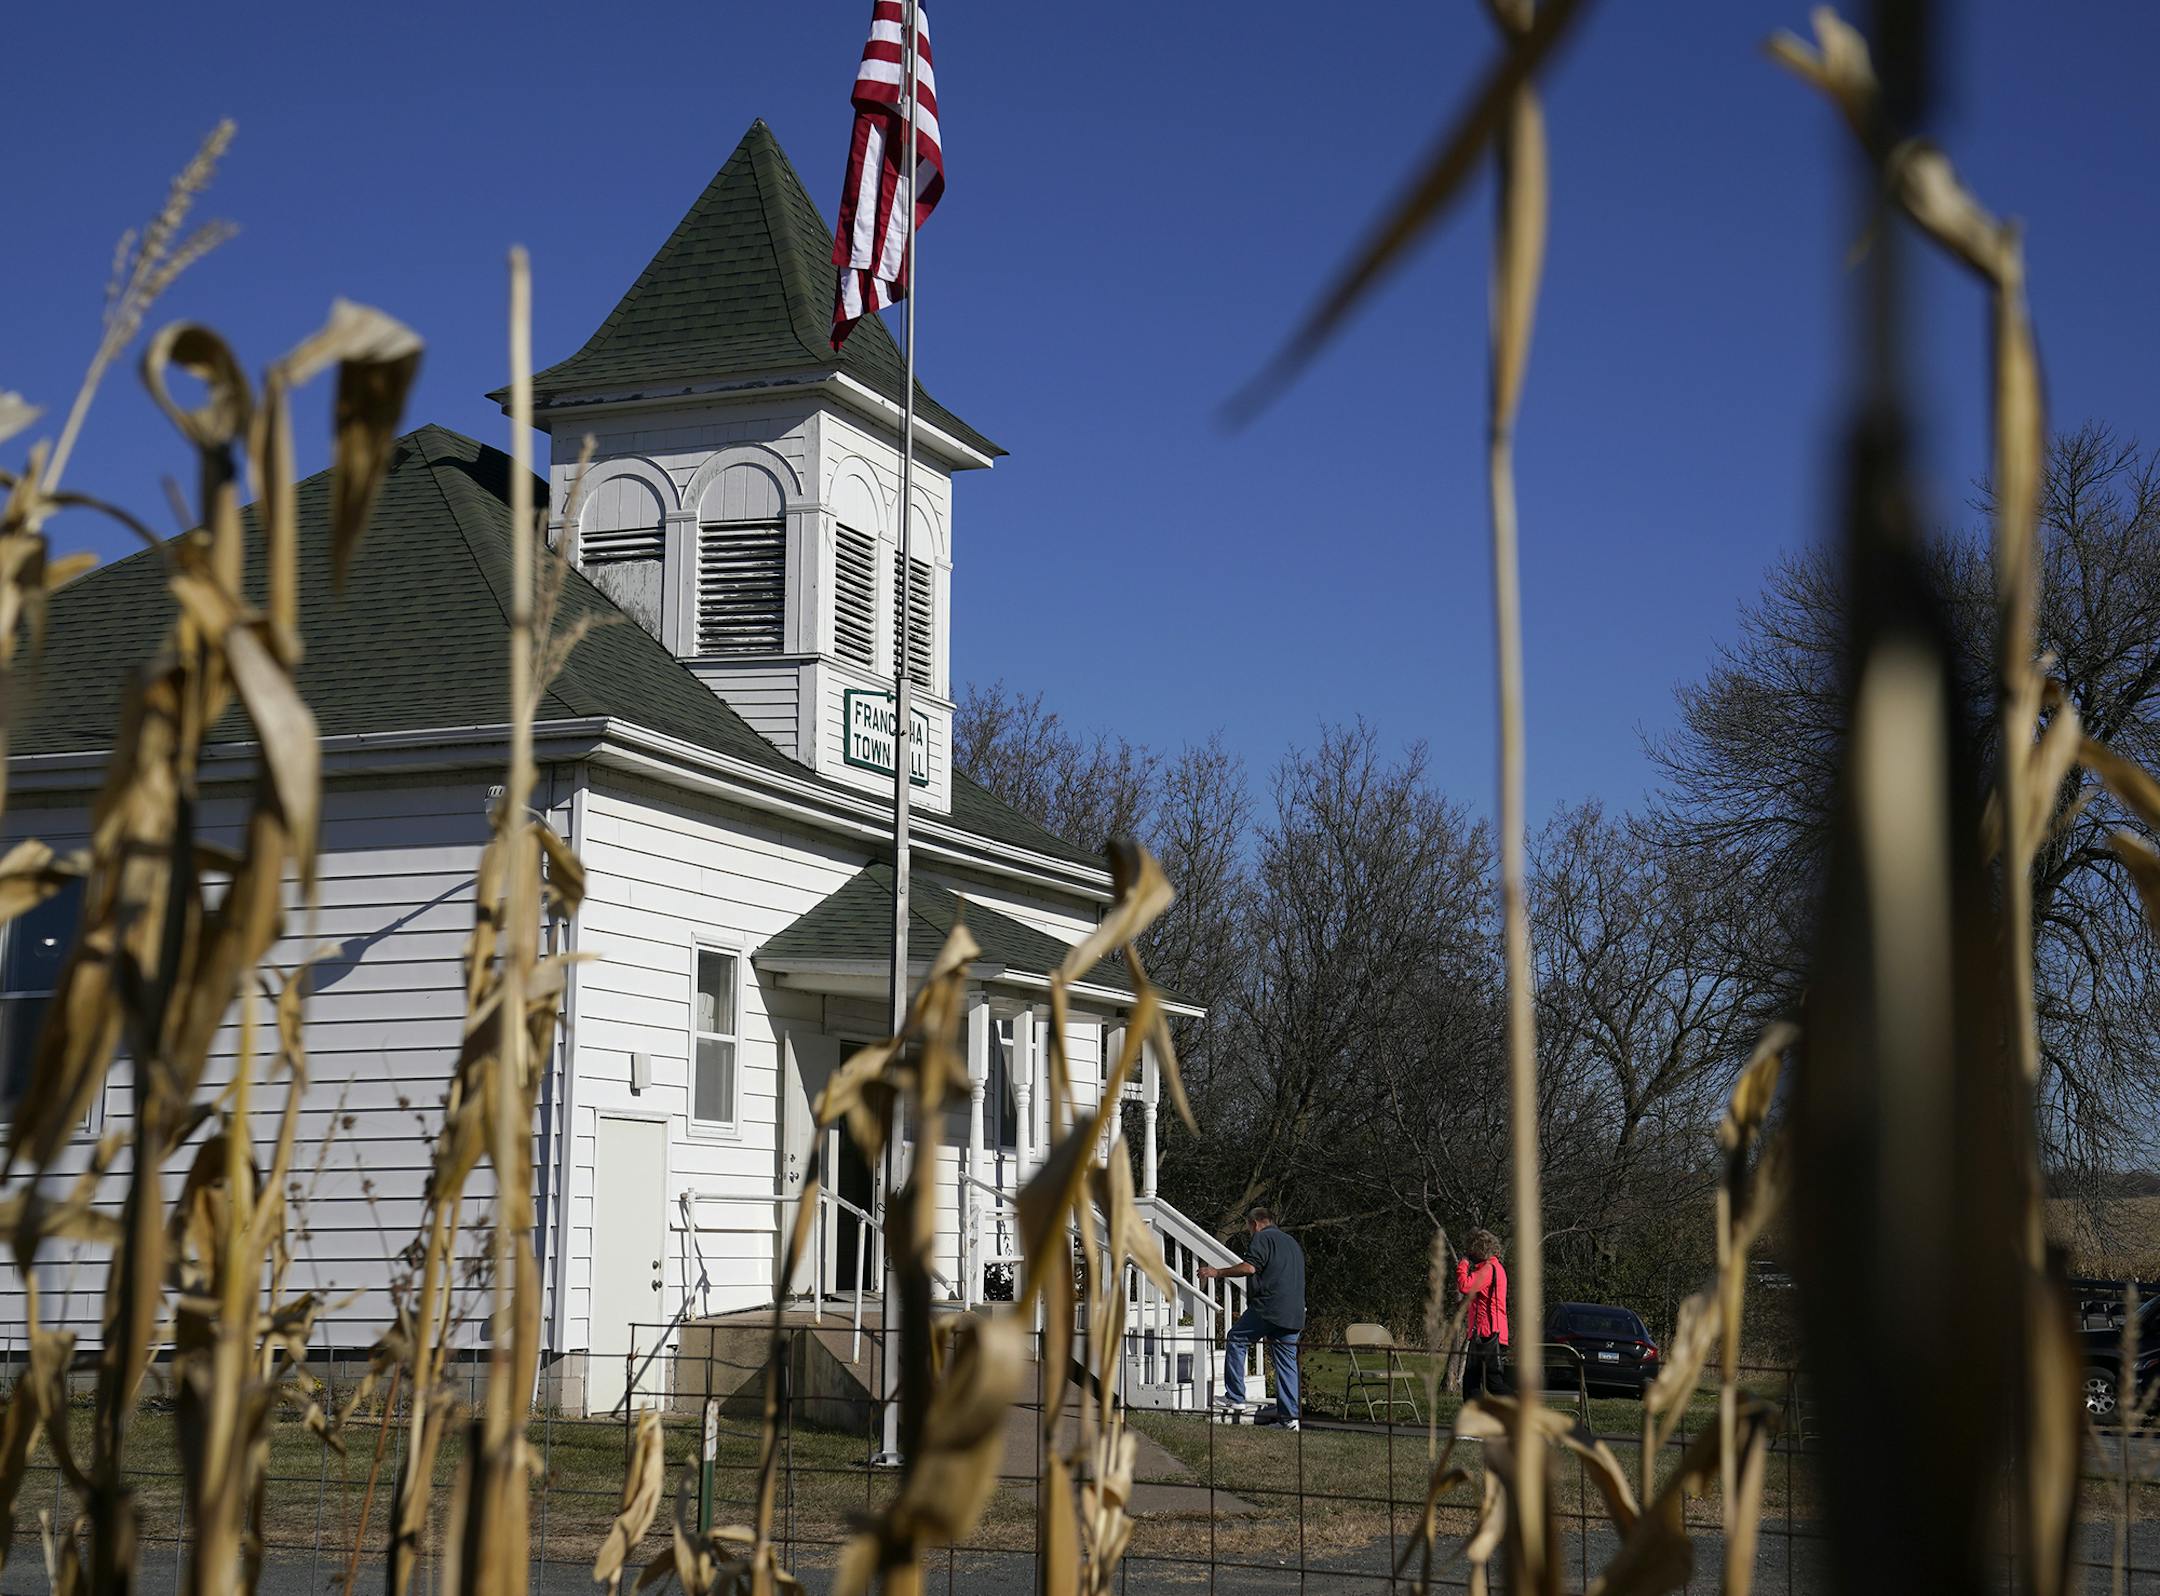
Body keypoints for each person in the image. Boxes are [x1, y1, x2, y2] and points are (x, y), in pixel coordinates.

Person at [1199, 1206, 1306, 1430]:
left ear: (1255, 1223)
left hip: (1269, 1307)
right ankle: (1290, 1420)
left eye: (1249, 1227)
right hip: (1294, 1311)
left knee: (1236, 1339)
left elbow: (1249, 1268)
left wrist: (1217, 1273)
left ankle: (1235, 1397)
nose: (1250, 1232)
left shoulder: (1262, 1238)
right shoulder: (1291, 1243)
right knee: (1287, 1364)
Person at [1456, 1228, 1511, 1402]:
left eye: (1471, 1250)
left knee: (1487, 1383)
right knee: (1479, 1382)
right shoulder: (1496, 1268)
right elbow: (1483, 1298)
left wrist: (1463, 1264)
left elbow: (1464, 1285)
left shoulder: (1488, 1270)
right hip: (1491, 1332)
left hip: (1486, 1334)